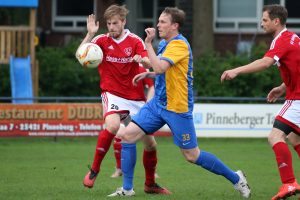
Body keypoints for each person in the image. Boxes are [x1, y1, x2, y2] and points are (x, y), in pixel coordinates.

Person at [108, 7, 251, 198]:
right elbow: (161, 69)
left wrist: (147, 44)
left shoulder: (179, 45)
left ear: (175, 25)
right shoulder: (165, 44)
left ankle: (236, 178)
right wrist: (148, 73)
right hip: (157, 104)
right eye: (158, 21)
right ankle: (127, 189)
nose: (158, 25)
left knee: (192, 156)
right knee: (127, 136)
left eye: (163, 22)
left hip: (177, 107)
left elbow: (160, 66)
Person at [76, 4, 170, 194]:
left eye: (115, 23)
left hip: (135, 98)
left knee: (150, 144)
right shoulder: (101, 40)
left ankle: (150, 184)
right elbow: (81, 55)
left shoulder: (135, 41)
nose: (111, 27)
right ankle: (94, 170)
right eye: (109, 23)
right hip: (112, 94)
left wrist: (141, 60)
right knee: (111, 126)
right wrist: (89, 34)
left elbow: (149, 61)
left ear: (123, 22)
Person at [220, 4, 300, 200]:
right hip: (294, 94)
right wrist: (282, 87)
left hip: (297, 98)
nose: (261, 24)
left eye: (264, 20)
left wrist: (236, 70)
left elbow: (265, 63)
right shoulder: (294, 38)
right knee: (295, 139)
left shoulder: (280, 40)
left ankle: (289, 183)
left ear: (276, 21)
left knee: (275, 136)